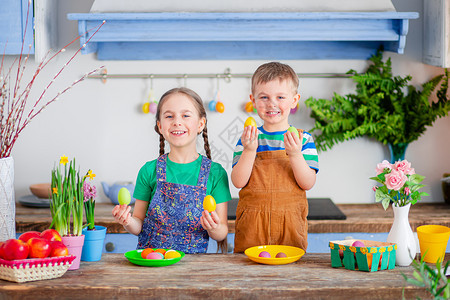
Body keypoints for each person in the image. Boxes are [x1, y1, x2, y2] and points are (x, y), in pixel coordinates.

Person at [112, 87, 231, 254]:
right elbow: (138, 225)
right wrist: (127, 220)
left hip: (193, 269)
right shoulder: (149, 170)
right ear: (160, 126)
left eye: (186, 115)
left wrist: (214, 227)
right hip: (152, 264)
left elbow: (221, 233)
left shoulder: (216, 173)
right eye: (169, 116)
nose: (177, 122)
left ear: (200, 124)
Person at [231, 62, 319, 253]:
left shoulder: (303, 139)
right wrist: (248, 151)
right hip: (252, 226)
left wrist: (295, 154)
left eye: (280, 97)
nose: (272, 104)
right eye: (264, 97)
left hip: (290, 225)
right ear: (253, 100)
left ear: (294, 100)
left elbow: (308, 182)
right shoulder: (248, 139)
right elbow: (238, 181)